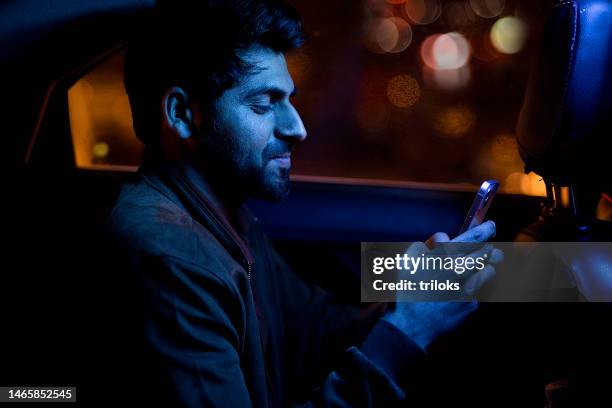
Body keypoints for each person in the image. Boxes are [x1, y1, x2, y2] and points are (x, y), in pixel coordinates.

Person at [107, 0, 499, 406]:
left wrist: (413, 298)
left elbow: (311, 329)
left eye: (290, 100)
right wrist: (407, 333)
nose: (298, 128)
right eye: (262, 104)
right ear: (182, 114)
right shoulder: (167, 259)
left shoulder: (226, 216)